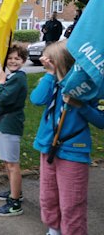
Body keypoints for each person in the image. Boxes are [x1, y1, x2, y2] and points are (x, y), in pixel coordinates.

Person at [30, 40, 104, 235]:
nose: (46, 62)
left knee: (72, 201)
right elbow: (36, 100)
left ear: (63, 62)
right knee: (48, 195)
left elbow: (101, 121)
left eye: (50, 59)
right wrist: (49, 74)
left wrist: (81, 105)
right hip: (48, 147)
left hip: (73, 150)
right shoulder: (52, 82)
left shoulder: (89, 87)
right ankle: (53, 229)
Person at [0, 44, 28, 217]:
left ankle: (15, 202)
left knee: (12, 164)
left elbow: (3, 99)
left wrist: (0, 82)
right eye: (10, 58)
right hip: (3, 122)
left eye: (17, 58)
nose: (13, 61)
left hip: (11, 124)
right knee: (6, 161)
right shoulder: (11, 77)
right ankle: (14, 191)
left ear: (24, 61)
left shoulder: (18, 78)